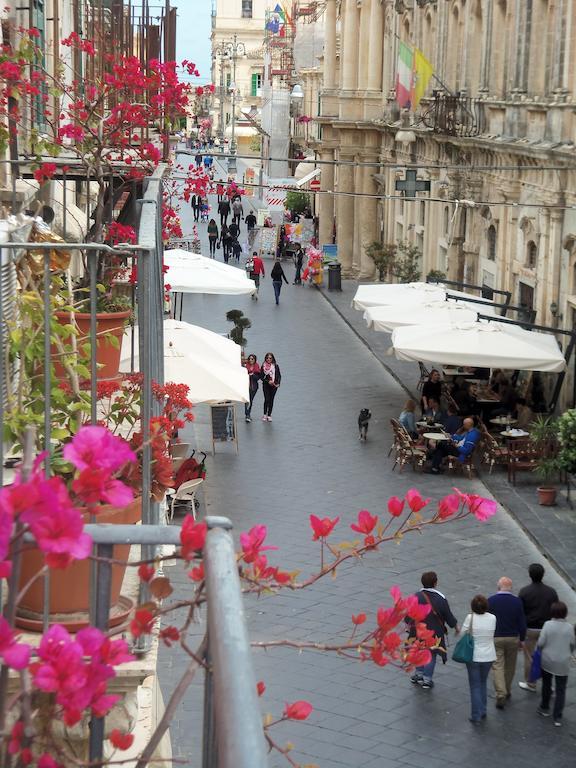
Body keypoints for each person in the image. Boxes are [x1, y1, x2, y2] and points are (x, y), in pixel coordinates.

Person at [408, 571, 458, 689]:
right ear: (435, 583)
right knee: (431, 654)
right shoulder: (441, 598)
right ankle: (427, 679)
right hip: (434, 632)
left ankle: (418, 674)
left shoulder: (415, 596)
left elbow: (408, 615)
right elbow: (448, 615)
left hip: (418, 630)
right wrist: (455, 626)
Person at [518, 563, 559, 692]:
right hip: (547, 628)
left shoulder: (524, 592)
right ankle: (548, 684)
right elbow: (556, 610)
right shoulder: (551, 592)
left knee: (529, 656)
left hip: (530, 629)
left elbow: (521, 612)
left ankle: (531, 683)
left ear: (530, 575)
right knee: (547, 657)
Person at [487, 577, 527, 709]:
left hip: (496, 637)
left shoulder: (491, 600)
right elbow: (522, 623)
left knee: (497, 666)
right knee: (510, 666)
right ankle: (507, 690)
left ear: (498, 587)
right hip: (512, 638)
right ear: (511, 587)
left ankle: (500, 692)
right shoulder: (517, 602)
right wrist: (522, 639)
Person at [537, 602, 575, 726]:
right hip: (563, 662)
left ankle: (544, 707)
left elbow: (541, 643)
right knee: (561, 690)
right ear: (565, 613)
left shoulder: (547, 624)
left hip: (548, 660)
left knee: (546, 685)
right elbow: (572, 644)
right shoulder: (570, 627)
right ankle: (557, 717)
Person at [460, 594, 497, 724]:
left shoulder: (470, 618)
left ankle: (476, 714)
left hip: (474, 656)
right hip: (488, 656)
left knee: (475, 685)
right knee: (482, 682)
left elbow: (462, 634)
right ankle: (483, 709)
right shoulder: (493, 618)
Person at [261, 352, 281, 421]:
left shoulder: (276, 366)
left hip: (274, 386)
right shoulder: (263, 366)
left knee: (271, 400)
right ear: (265, 358)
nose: (268, 359)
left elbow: (279, 376)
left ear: (272, 359)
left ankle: (269, 415)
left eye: (270, 358)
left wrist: (278, 383)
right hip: (266, 385)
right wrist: (268, 381)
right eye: (267, 358)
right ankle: (264, 414)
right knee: (267, 399)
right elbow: (261, 377)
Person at [243, 354, 261, 422]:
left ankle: (248, 414)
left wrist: (252, 375)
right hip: (246, 386)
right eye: (249, 359)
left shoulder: (257, 367)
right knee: (247, 400)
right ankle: (247, 415)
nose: (250, 360)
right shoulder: (245, 366)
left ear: (255, 360)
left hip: (254, 387)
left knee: (250, 400)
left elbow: (258, 378)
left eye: (252, 359)